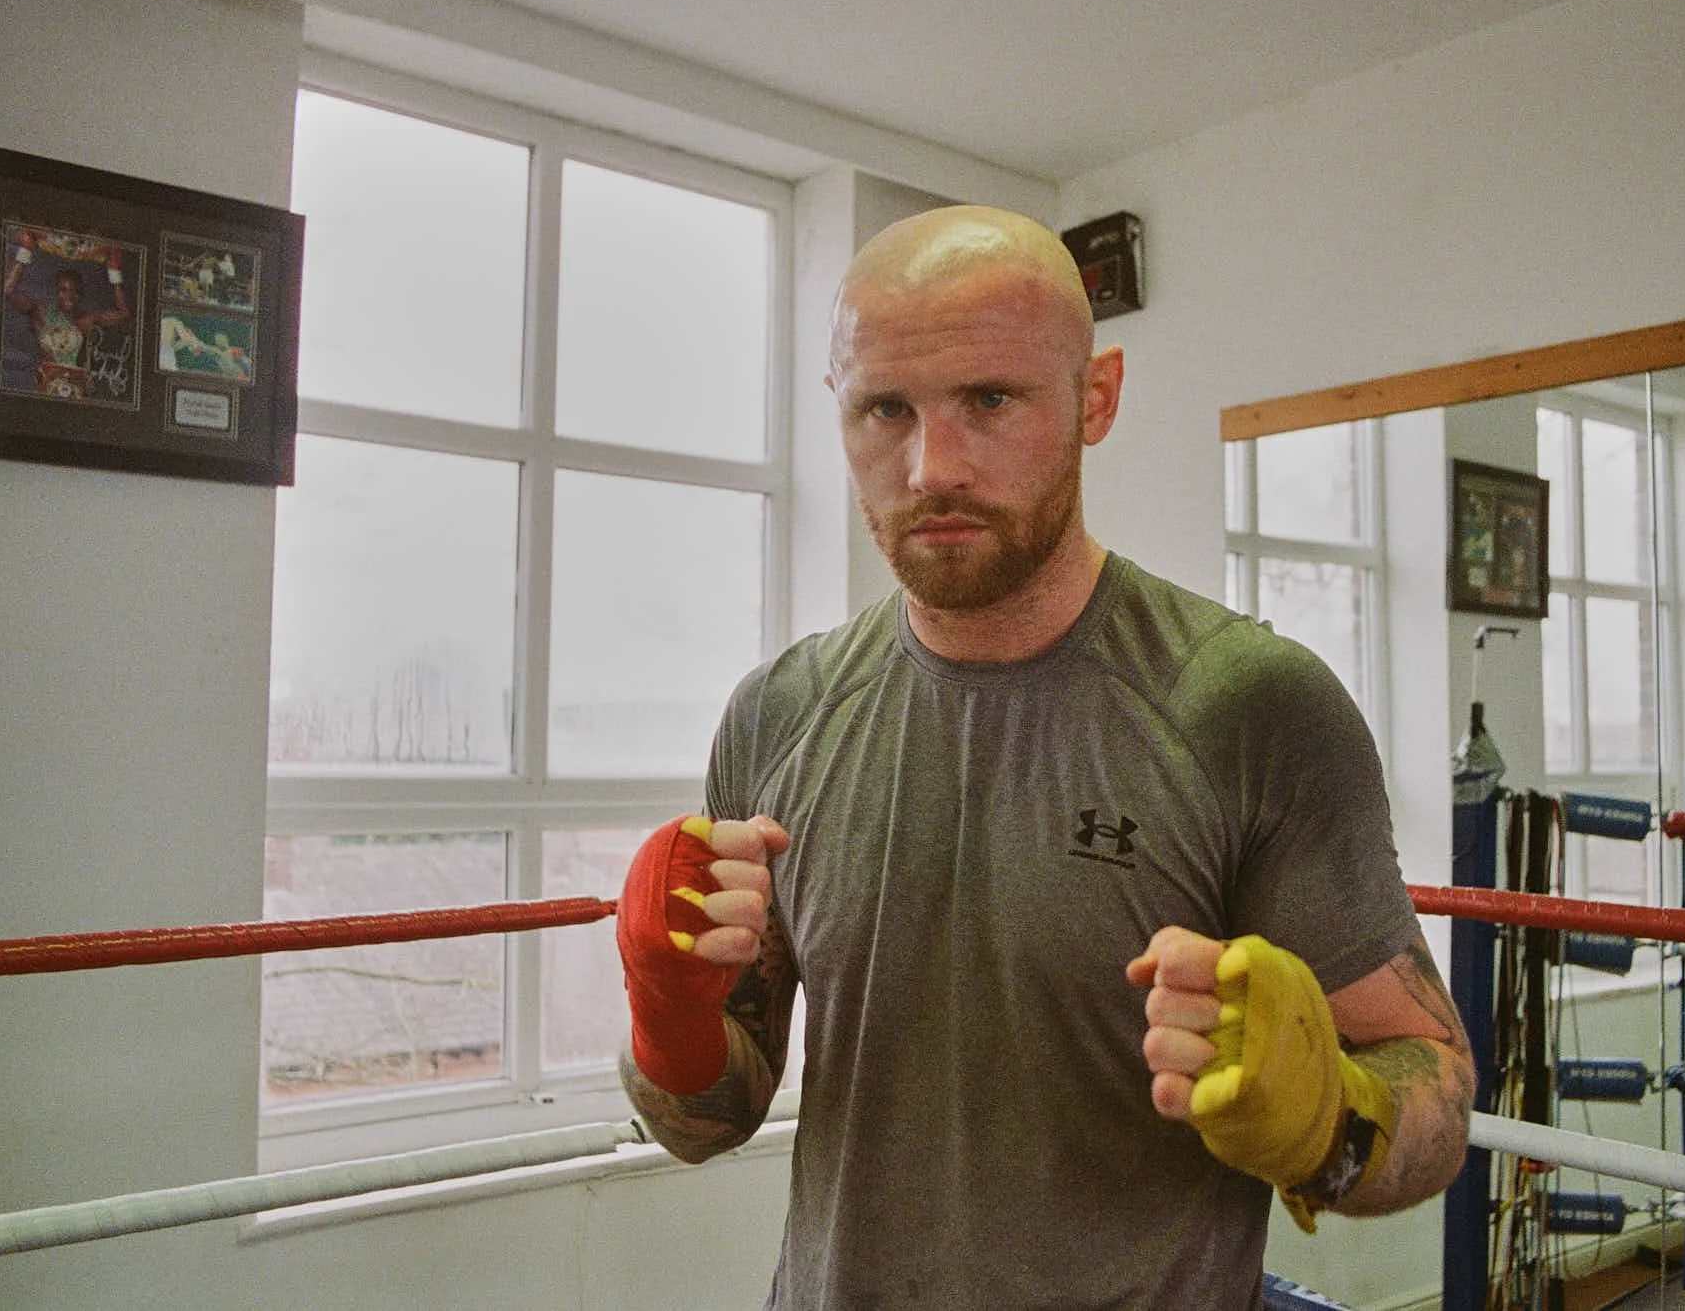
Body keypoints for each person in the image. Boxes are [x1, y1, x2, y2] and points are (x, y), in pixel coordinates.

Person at [616, 205, 1475, 1309]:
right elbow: (711, 1119)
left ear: (1094, 398)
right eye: (886, 408)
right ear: (839, 409)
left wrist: (1325, 1121)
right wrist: (665, 1013)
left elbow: (1434, 1087)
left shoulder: (1245, 707)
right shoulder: (779, 714)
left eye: (988, 401)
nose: (931, 466)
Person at [2, 228, 131, 397]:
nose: (69, 294)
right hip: (46, 388)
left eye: (74, 290)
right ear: (56, 291)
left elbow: (123, 313)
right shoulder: (41, 314)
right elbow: (9, 290)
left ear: (80, 294)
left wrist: (114, 273)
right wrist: (24, 252)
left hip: (77, 392)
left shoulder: (87, 320)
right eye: (63, 289)